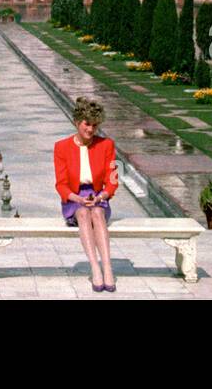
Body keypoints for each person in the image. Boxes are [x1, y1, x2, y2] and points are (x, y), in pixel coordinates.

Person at [53, 96, 119, 292]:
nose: (90, 130)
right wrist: (78, 199)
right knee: (83, 213)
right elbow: (61, 185)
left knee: (97, 213)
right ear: (77, 122)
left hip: (99, 196)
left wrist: (100, 197)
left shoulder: (106, 145)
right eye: (87, 124)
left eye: (95, 126)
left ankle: (107, 268)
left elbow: (113, 181)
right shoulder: (61, 147)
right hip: (74, 198)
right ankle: (95, 268)